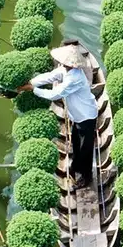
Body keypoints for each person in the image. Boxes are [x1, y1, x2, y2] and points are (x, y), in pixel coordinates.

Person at [21, 41, 99, 170]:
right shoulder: (65, 69)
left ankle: (84, 175)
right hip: (77, 115)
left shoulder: (75, 78)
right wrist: (31, 83)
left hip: (86, 116)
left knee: (85, 149)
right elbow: (50, 77)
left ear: (70, 63)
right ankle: (76, 166)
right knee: (76, 143)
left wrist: (32, 89)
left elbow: (54, 94)